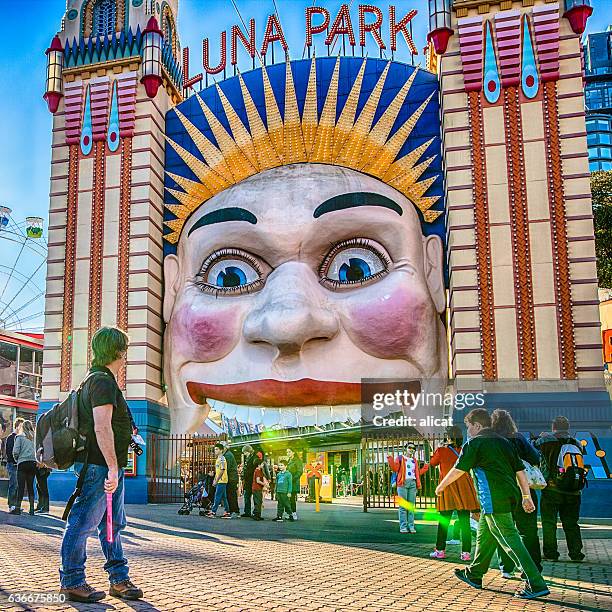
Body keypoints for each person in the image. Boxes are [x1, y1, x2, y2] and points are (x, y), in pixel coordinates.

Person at [59, 327, 143, 603]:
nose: (126, 357)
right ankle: (72, 581)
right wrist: (113, 468)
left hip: (106, 467)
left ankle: (118, 578)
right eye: (125, 351)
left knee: (112, 524)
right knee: (82, 523)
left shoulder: (97, 379)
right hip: (100, 468)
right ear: (119, 352)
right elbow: (102, 427)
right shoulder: (102, 382)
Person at [436, 408, 549, 600]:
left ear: (477, 425)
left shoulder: (474, 443)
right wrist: (526, 496)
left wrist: (440, 486)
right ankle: (475, 573)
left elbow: (458, 470)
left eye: (468, 427)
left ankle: (535, 583)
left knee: (508, 539)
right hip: (510, 496)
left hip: (492, 499)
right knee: (485, 536)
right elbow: (520, 471)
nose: (468, 431)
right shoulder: (504, 442)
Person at [491, 409, 543, 576]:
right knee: (528, 531)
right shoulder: (519, 438)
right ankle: (533, 567)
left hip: (501, 490)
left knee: (504, 529)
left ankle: (506, 567)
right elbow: (536, 458)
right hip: (524, 490)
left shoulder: (491, 440)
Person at [535, 416, 585, 562]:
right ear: (568, 428)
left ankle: (551, 553)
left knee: (549, 522)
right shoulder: (577, 443)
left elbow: (533, 447)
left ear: (553, 427)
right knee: (571, 523)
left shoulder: (547, 440)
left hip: (552, 489)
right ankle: (576, 553)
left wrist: (542, 436)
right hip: (574, 490)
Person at [428, 427, 479, 561]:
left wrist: (438, 447)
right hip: (464, 488)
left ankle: (440, 551)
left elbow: (432, 463)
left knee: (444, 522)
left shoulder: (442, 450)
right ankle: (466, 554)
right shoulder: (465, 450)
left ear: (449, 437)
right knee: (465, 523)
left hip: (448, 487)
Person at [387, 443, 428, 534]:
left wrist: (425, 467)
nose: (412, 449)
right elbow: (395, 469)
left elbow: (417, 473)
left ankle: (411, 526)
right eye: (410, 447)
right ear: (405, 448)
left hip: (412, 483)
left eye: (413, 448)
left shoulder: (414, 460)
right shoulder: (400, 458)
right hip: (402, 483)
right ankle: (403, 527)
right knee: (403, 507)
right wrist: (390, 459)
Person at [11, 421, 37, 516]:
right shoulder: (35, 437)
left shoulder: (19, 437)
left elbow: (15, 451)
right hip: (33, 463)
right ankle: (31, 509)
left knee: (21, 486)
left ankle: (17, 508)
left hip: (22, 463)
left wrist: (17, 459)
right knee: (30, 486)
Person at [5, 417, 24, 512]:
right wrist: (15, 461)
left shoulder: (21, 438)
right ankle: (11, 505)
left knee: (18, 486)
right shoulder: (11, 438)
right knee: (13, 485)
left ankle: (16, 506)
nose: (22, 428)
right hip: (12, 464)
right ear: (16, 426)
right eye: (21, 426)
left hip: (19, 465)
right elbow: (9, 452)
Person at [206, 443, 230, 518]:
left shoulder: (222, 459)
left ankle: (213, 512)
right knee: (223, 496)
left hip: (222, 480)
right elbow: (219, 471)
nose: (215, 451)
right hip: (221, 480)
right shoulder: (219, 459)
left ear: (221, 450)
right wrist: (215, 480)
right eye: (215, 449)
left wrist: (216, 480)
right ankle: (227, 512)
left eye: (217, 449)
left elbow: (222, 470)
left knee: (217, 496)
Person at [241, 445, 261, 517]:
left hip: (252, 480)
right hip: (248, 480)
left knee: (255, 497)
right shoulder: (249, 458)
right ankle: (247, 512)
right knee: (247, 496)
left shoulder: (254, 458)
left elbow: (253, 469)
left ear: (248, 451)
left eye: (245, 452)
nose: (244, 454)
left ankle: (256, 513)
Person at [223, 443, 240, 518]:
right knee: (231, 494)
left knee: (231, 495)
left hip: (231, 478)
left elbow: (227, 468)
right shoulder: (229, 454)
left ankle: (234, 511)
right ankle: (234, 510)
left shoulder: (227, 456)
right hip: (232, 478)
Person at [286, 449, 303, 521]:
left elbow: (300, 472)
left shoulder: (297, 461)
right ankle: (290, 513)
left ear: (293, 452)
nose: (288, 453)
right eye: (287, 452)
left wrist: (292, 479)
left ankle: (294, 513)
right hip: (288, 482)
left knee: (292, 498)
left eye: (289, 452)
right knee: (288, 499)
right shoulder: (289, 461)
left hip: (294, 482)